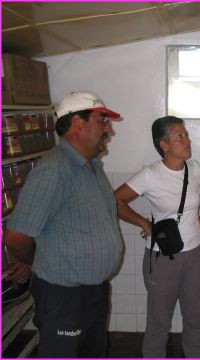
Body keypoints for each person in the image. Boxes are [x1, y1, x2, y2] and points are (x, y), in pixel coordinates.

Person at [3, 91, 123, 358]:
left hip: (94, 290)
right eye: (102, 120)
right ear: (77, 124)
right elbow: (15, 236)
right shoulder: (54, 170)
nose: (108, 128)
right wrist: (36, 260)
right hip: (65, 296)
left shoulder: (91, 165)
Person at [114, 115, 200, 357]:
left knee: (196, 317)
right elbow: (115, 200)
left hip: (195, 254)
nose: (187, 140)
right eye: (180, 136)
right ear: (164, 145)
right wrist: (143, 223)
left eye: (186, 134)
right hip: (162, 258)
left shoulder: (195, 169)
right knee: (159, 322)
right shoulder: (150, 174)